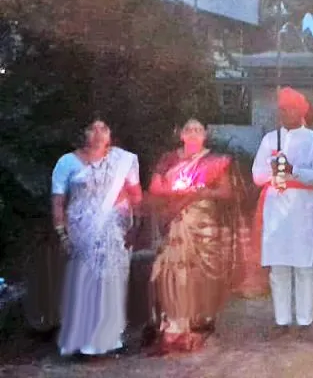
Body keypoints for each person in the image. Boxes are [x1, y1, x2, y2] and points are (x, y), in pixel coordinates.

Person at [148, 119, 247, 354]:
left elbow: (225, 192)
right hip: (174, 220)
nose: (193, 134)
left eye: (198, 130)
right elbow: (154, 187)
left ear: (205, 135)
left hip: (203, 224)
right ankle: (173, 325)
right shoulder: (168, 159)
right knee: (172, 272)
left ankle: (198, 322)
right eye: (188, 129)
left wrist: (202, 191)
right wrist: (179, 192)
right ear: (180, 134)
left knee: (199, 273)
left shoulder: (215, 161)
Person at [52, 117, 143, 357]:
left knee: (112, 282)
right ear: (83, 133)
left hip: (115, 230)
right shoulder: (67, 163)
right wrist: (62, 233)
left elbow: (136, 195)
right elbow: (58, 202)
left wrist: (135, 227)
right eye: (93, 127)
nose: (99, 132)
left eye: (104, 128)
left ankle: (111, 340)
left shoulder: (123, 161)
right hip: (82, 231)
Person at [252, 87, 313, 340]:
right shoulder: (269, 140)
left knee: (304, 266)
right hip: (275, 207)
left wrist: (294, 169)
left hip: (303, 208)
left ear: (302, 111)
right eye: (282, 109)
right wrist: (275, 171)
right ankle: (281, 320)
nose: (285, 113)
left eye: (290, 109)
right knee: (279, 267)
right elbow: (257, 176)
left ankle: (305, 320)